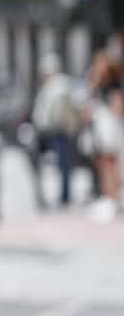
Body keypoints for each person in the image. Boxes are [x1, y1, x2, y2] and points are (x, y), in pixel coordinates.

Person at [31, 53, 78, 208]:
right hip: (48, 131)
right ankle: (55, 196)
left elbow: (64, 109)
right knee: (53, 165)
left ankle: (65, 196)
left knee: (63, 164)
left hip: (59, 131)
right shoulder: (49, 85)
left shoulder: (61, 84)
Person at [86, 51, 122, 221]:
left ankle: (114, 198)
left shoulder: (114, 87)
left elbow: (118, 108)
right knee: (102, 164)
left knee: (111, 165)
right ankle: (108, 197)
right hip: (100, 130)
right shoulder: (98, 87)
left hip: (111, 130)